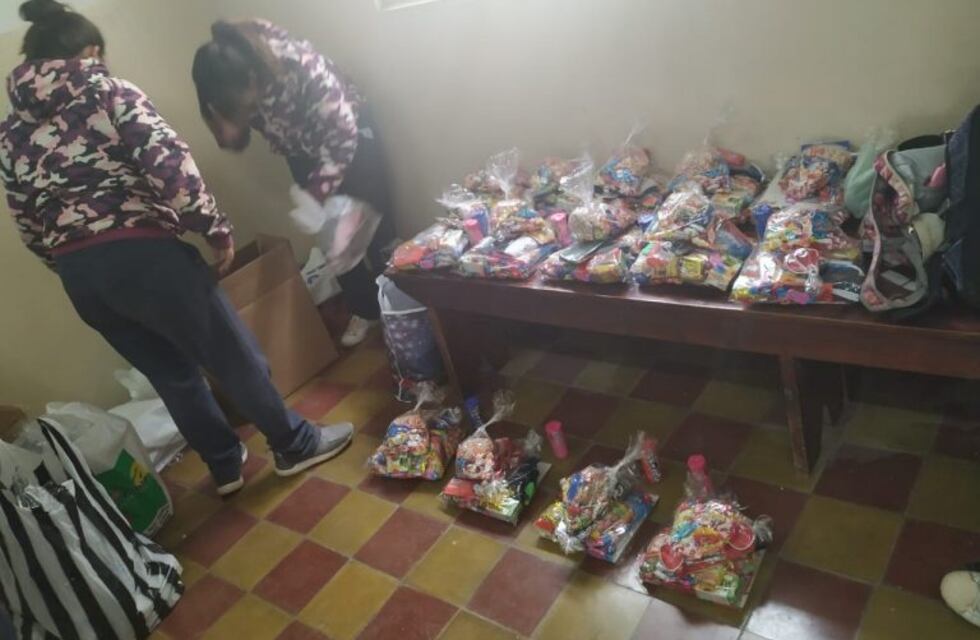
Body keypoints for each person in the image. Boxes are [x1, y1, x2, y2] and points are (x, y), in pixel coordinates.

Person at [0, 0, 353, 496]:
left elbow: (25, 217)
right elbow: (169, 164)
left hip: (80, 276)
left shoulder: (11, 130)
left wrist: (70, 264)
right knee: (231, 352)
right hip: (142, 255)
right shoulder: (106, 89)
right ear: (91, 51)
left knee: (172, 374)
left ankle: (225, 465)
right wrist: (214, 230)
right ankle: (294, 443)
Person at [192, 19, 394, 348]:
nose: (246, 114)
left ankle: (405, 309)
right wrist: (228, 126)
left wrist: (318, 191)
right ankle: (366, 309)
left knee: (377, 230)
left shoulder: (301, 66)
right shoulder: (228, 85)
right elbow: (239, 129)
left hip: (352, 140)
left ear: (252, 78)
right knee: (335, 242)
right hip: (303, 153)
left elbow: (343, 135)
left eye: (243, 107)